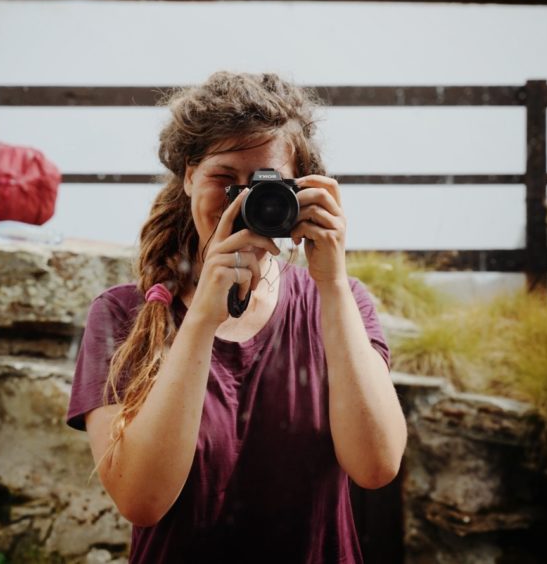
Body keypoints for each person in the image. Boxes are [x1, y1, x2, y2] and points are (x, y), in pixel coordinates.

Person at [66, 71, 408, 563]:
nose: (246, 201)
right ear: (188, 176)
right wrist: (202, 320)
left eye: (265, 185)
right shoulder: (122, 315)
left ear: (300, 190)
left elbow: (376, 467)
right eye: (225, 180)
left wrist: (331, 283)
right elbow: (141, 501)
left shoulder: (338, 303)